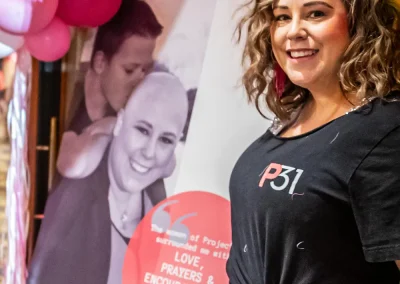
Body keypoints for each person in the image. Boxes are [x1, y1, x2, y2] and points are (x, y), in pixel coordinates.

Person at [227, 0, 400, 283]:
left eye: (316, 13)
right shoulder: (292, 116)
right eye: (282, 17)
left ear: (360, 23)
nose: (293, 31)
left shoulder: (387, 133)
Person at [27, 72, 189, 284]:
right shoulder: (76, 202)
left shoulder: (162, 200)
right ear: (120, 122)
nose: (149, 152)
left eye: (165, 140)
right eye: (142, 130)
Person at [57, 0, 163, 179]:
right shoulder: (72, 102)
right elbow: (69, 165)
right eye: (129, 70)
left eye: (145, 70)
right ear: (100, 63)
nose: (139, 81)